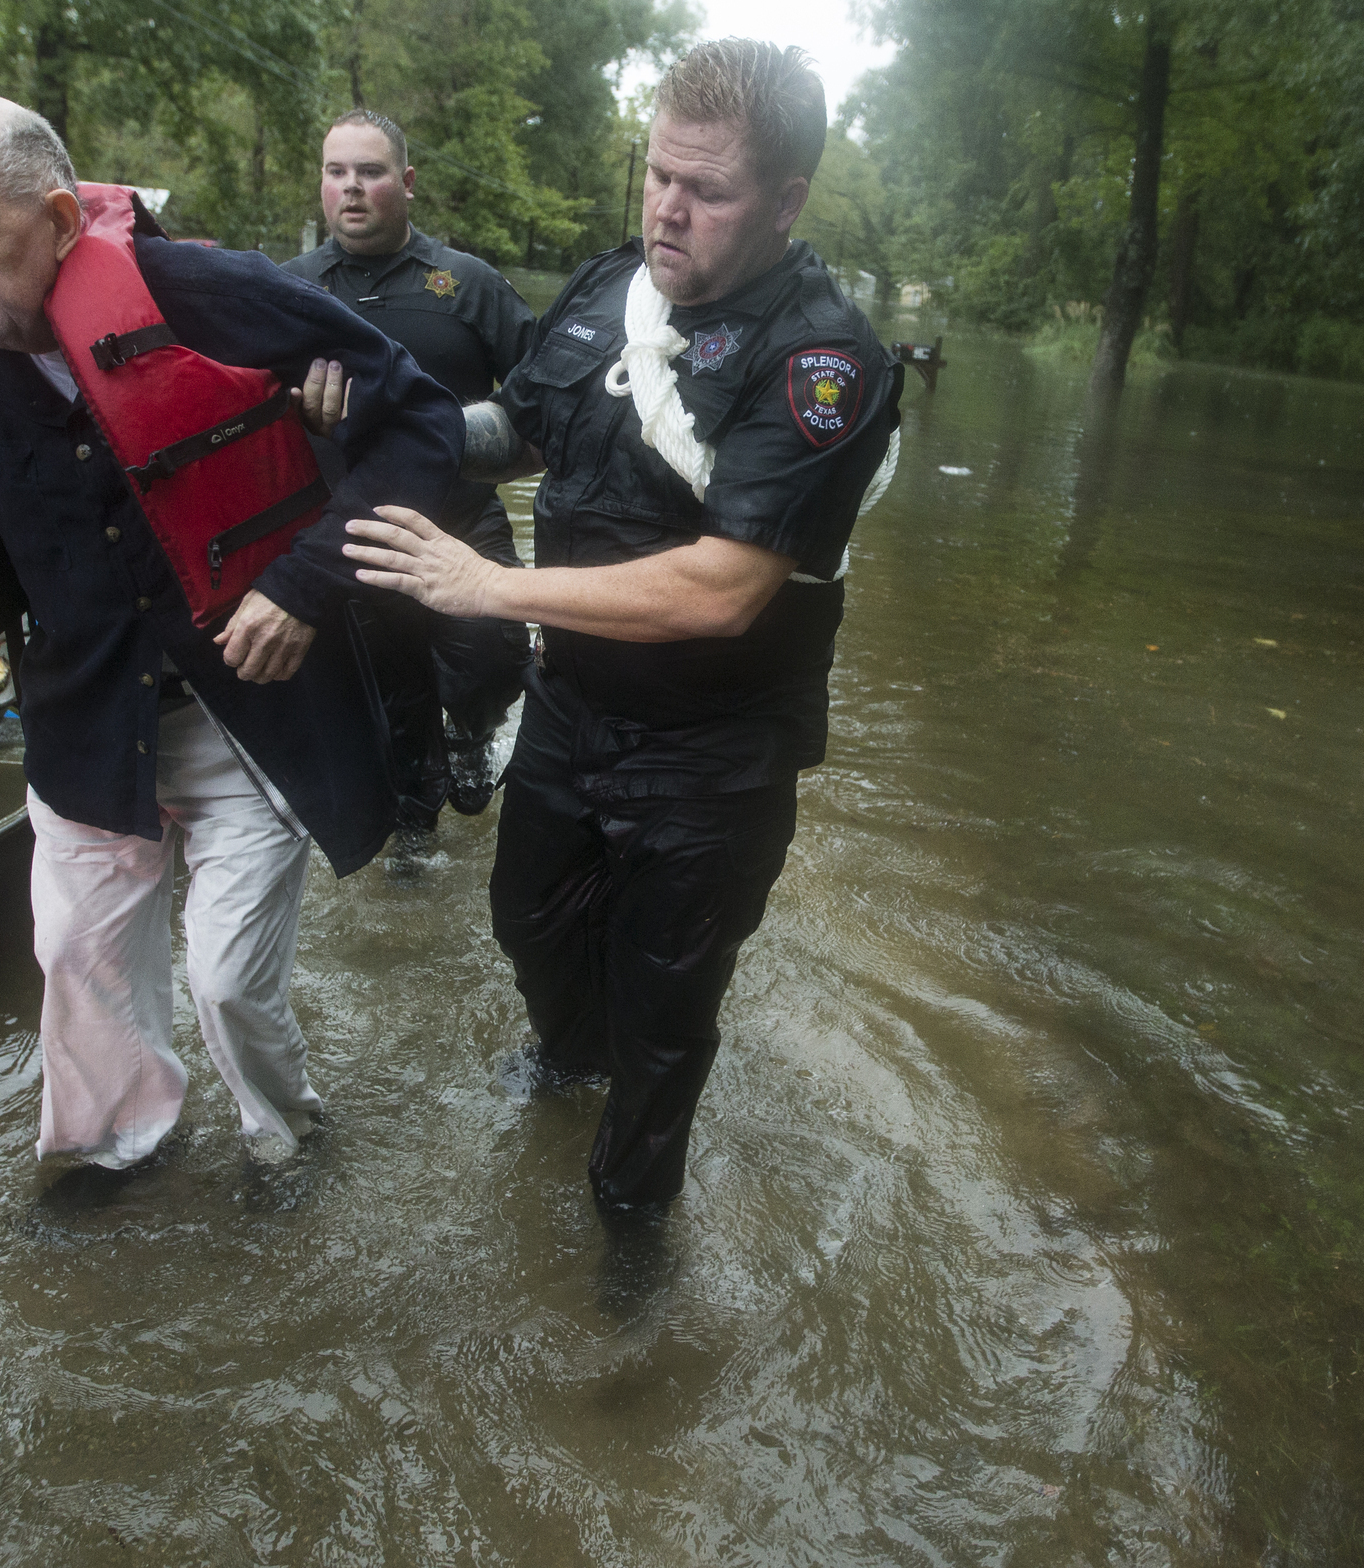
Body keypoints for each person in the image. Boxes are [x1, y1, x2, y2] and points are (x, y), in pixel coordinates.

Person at [0, 92, 461, 1169]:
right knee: (75, 953)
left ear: (62, 222)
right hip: (80, 708)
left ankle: (285, 1140)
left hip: (247, 710)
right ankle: (118, 1151)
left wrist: (305, 583)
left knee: (226, 981)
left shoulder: (208, 291)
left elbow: (425, 423)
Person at [343, 41, 903, 1209]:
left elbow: (722, 588)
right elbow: (533, 423)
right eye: (657, 175)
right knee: (525, 918)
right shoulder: (613, 288)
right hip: (574, 709)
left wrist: (485, 586)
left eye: (708, 190)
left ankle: (631, 1253)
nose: (669, 209)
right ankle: (567, 1062)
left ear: (787, 201)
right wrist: (410, 423)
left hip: (714, 754)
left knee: (663, 1016)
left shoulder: (824, 360)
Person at [283, 110, 537, 846]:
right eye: (337, 173)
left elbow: (543, 399)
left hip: (460, 517)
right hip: (349, 531)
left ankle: (471, 730)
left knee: (495, 657)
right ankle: (410, 843)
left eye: (371, 172)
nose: (352, 189)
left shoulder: (467, 283)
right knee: (389, 703)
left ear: (408, 182)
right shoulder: (288, 288)